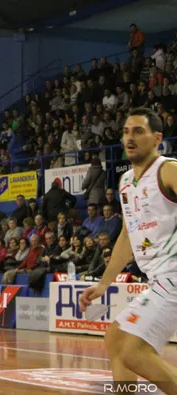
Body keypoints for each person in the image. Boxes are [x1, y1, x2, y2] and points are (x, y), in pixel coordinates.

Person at [79, 108, 177, 394]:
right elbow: (127, 235)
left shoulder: (168, 169)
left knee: (133, 351)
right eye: (125, 132)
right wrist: (103, 284)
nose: (129, 137)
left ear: (157, 138)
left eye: (138, 131)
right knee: (115, 341)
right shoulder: (125, 183)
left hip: (173, 276)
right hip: (158, 279)